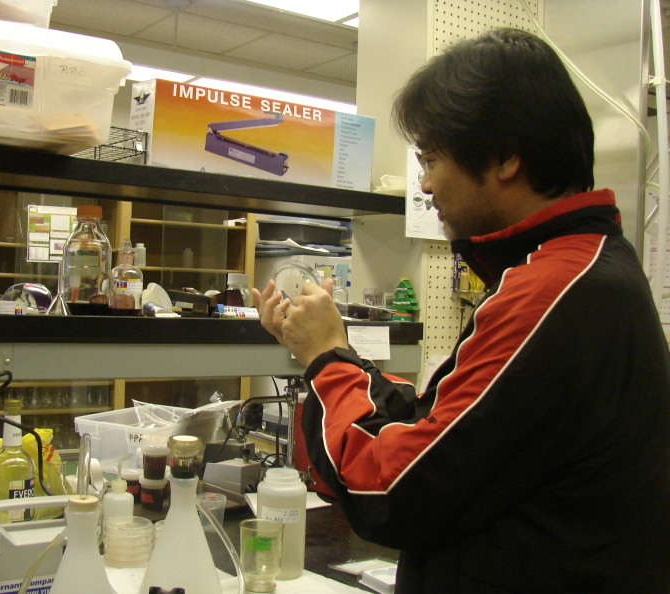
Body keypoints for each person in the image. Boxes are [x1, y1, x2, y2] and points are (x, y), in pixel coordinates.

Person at [253, 27, 670, 594]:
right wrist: (338, 354)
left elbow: (392, 491)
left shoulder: (553, 292)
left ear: (503, 157)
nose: (424, 184)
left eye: (429, 160)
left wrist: (326, 359)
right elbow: (439, 426)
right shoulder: (584, 270)